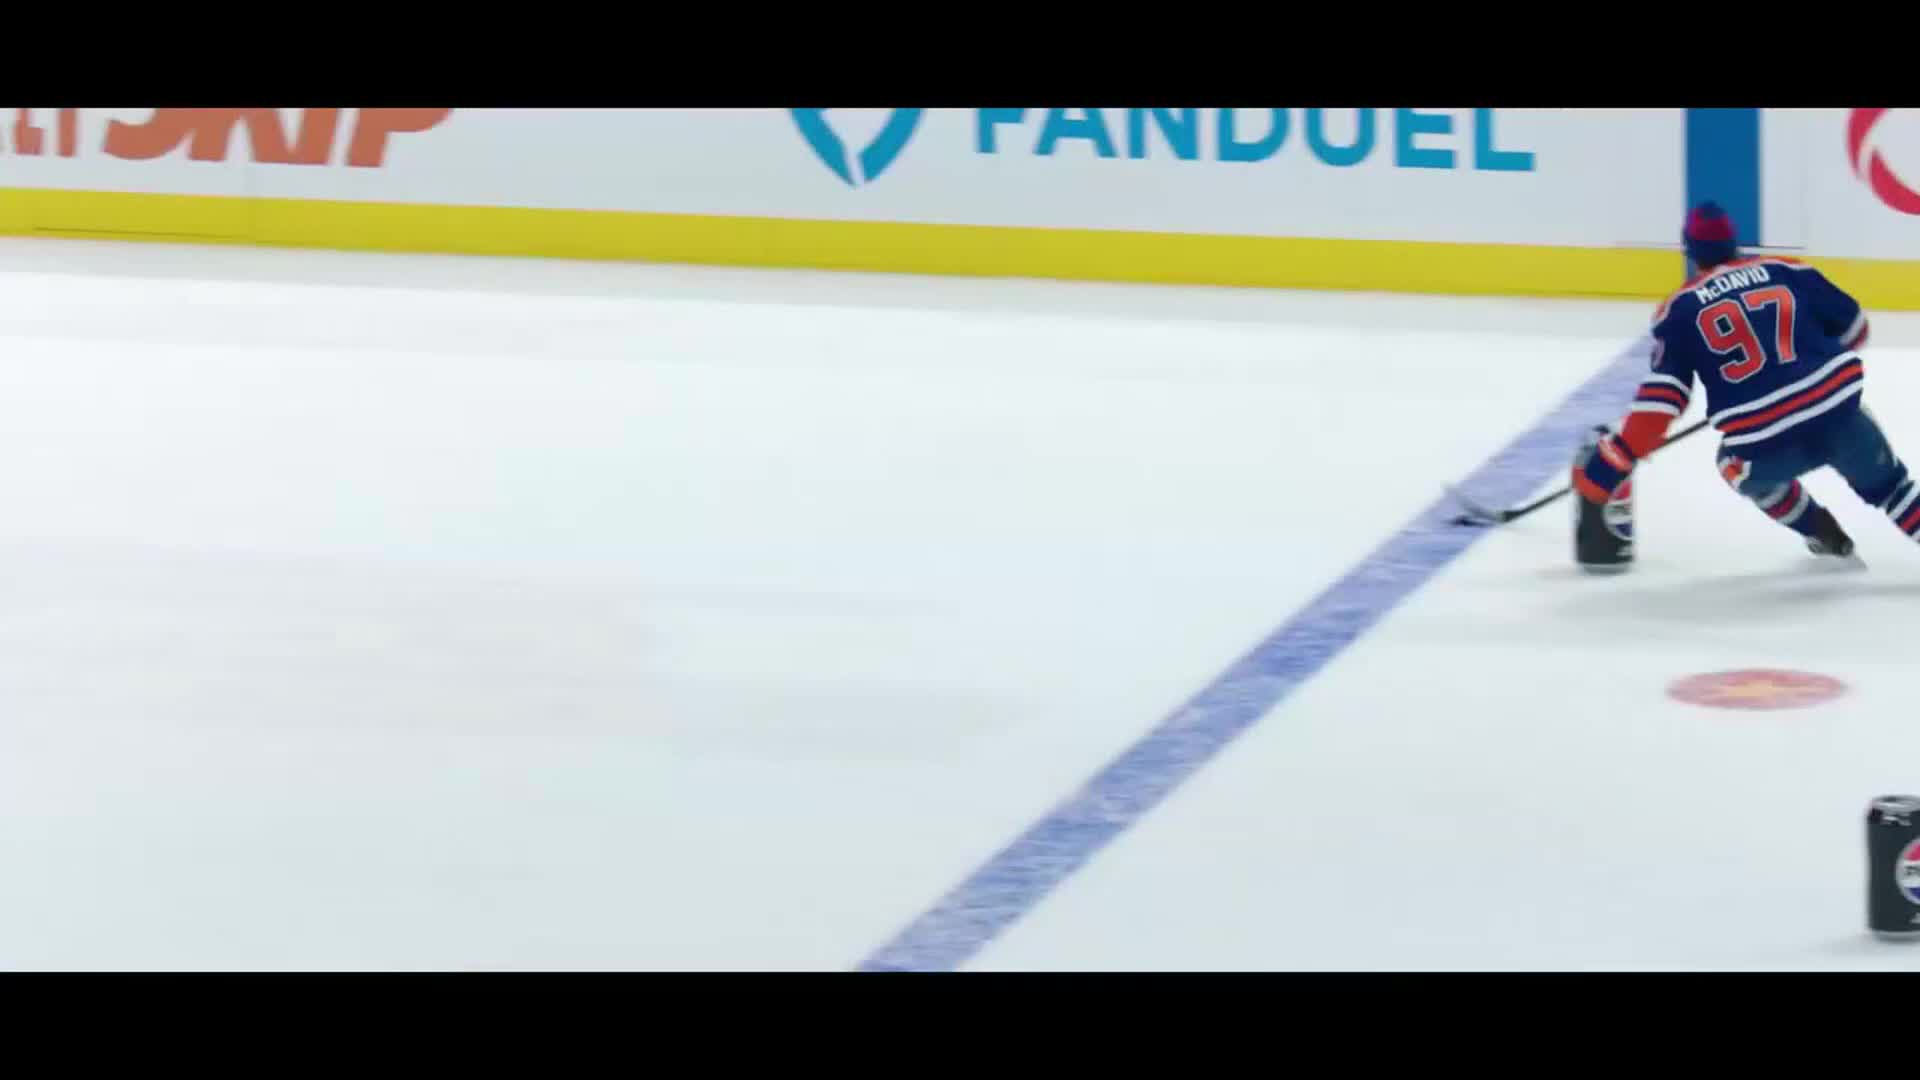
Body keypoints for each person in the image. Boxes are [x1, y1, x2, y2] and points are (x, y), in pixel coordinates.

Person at [1572, 201, 1906, 560]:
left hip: (1766, 447)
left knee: (1731, 464)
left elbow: (1663, 400)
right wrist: (1812, 352)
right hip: (1839, 419)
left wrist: (1615, 461)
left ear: (1690, 252)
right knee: (1894, 490)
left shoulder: (1679, 310)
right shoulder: (1788, 270)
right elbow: (1855, 327)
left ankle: (1819, 529)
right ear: (1735, 242)